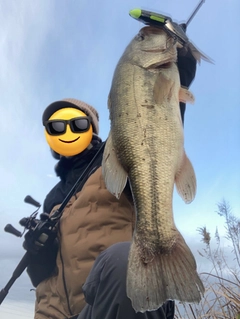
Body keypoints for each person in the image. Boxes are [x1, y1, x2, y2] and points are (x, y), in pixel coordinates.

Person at [24, 46, 196, 319]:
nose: (67, 132)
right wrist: (36, 251)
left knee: (122, 262)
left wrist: (178, 72)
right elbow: (42, 278)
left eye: (77, 124)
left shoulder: (116, 160)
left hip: (106, 307)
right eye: (57, 127)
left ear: (92, 129)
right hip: (52, 314)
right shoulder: (52, 198)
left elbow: (153, 131)